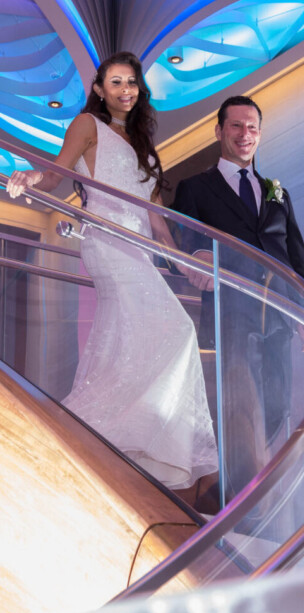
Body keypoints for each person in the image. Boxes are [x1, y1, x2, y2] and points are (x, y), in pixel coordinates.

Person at [7, 52, 218, 500]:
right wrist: (30, 177)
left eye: (132, 82)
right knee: (178, 330)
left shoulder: (144, 148)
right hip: (106, 241)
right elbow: (57, 174)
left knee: (133, 342)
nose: (125, 89)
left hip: (138, 248)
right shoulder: (88, 124)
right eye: (116, 81)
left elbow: (158, 223)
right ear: (100, 89)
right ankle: (90, 432)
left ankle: (119, 446)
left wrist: (184, 264)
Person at [171, 95, 304, 494]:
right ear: (219, 131)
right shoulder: (195, 188)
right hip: (230, 315)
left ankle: (246, 493)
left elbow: (295, 258)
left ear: (260, 134)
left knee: (277, 408)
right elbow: (182, 237)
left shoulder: (277, 193)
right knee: (239, 411)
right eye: (236, 125)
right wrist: (198, 253)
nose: (244, 134)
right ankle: (243, 504)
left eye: (252, 127)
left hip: (279, 317)